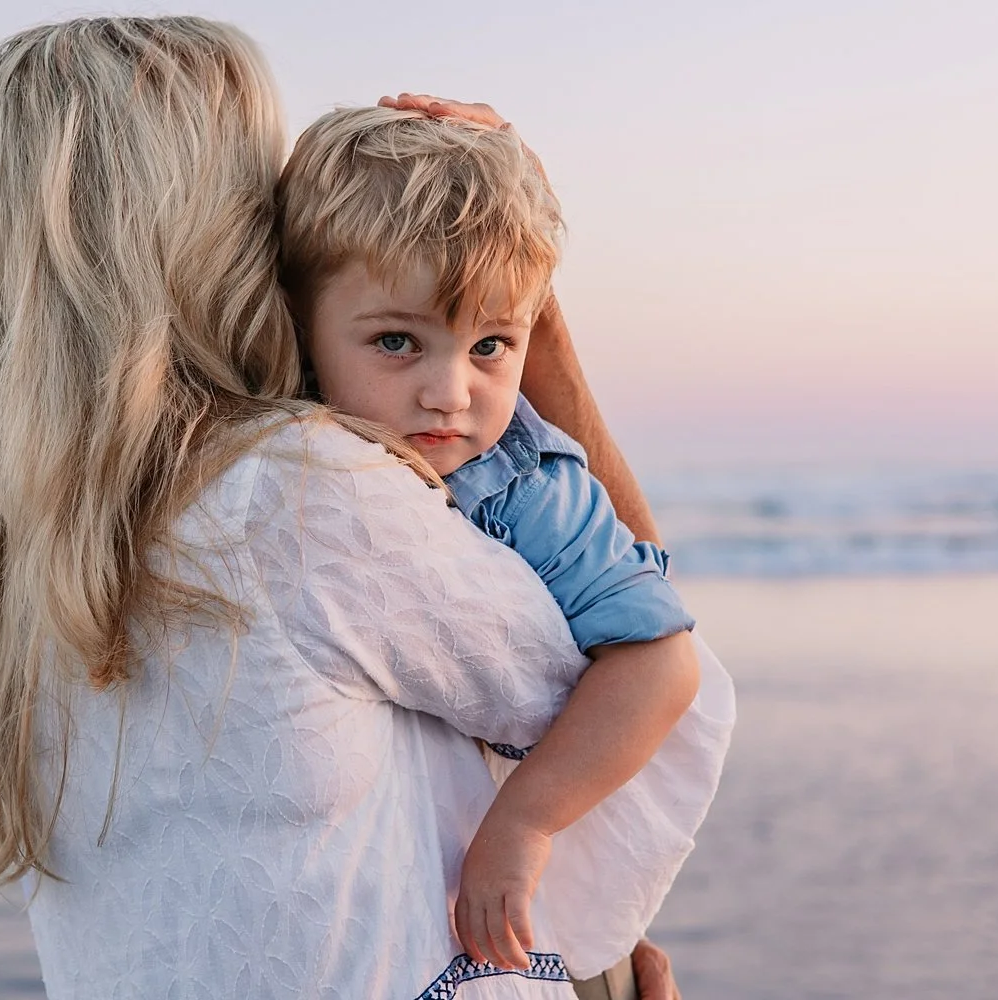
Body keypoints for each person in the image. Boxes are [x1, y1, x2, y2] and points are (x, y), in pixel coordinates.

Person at [0, 15, 734, 1000]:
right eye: (260, 186)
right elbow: (656, 670)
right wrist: (527, 309)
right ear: (208, 229)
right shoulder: (292, 491)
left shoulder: (6, 548)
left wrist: (475, 259)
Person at [276, 103, 718, 990]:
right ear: (297, 326)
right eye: (397, 342)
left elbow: (663, 662)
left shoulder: (524, 483)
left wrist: (527, 824)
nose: (452, 394)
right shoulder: (289, 461)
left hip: (544, 912)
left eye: (492, 345)